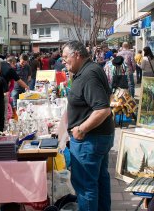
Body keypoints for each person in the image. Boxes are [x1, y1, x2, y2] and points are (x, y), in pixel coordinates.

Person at [62, 41, 115, 211]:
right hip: (97, 138)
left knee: (86, 186)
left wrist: (81, 129)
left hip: (90, 139)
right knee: (99, 180)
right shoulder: (87, 70)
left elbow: (103, 110)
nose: (63, 61)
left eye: (65, 57)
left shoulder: (89, 74)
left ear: (77, 55)